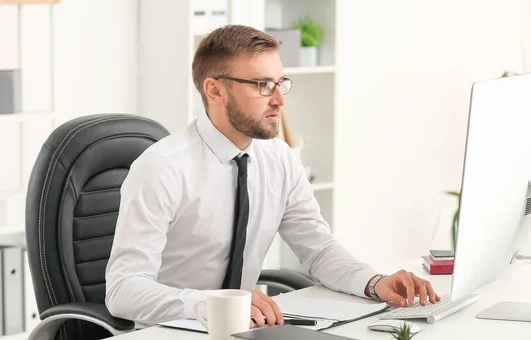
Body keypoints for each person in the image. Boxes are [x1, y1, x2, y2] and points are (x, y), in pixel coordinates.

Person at [105, 25, 440, 328]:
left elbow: (318, 249)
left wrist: (373, 282)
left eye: (280, 83)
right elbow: (123, 290)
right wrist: (213, 304)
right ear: (215, 91)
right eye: (263, 85)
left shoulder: (278, 158)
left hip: (248, 330)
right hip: (172, 331)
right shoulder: (163, 167)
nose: (279, 100)